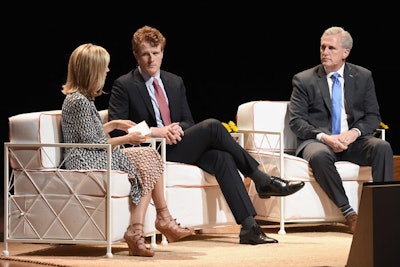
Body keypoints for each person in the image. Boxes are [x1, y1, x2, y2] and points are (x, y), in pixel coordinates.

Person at [107, 25, 305, 245]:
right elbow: (119, 129)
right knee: (212, 126)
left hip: (178, 144)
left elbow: (187, 121)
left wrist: (176, 128)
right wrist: (157, 131)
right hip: (151, 152)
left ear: (162, 52)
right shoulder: (124, 85)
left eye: (156, 53)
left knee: (223, 158)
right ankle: (261, 179)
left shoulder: (174, 81)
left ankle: (249, 227)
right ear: (136, 55)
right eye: (145, 54)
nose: (151, 59)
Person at [60, 43, 194, 257]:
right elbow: (91, 145)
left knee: (149, 155)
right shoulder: (77, 101)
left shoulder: (83, 99)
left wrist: (113, 125)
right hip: (85, 160)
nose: (107, 71)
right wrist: (128, 138)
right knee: (147, 157)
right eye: (104, 67)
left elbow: (89, 136)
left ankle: (142, 228)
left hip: (93, 154)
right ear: (92, 70)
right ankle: (157, 221)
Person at [288, 26, 394, 234]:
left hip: (351, 141)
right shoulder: (304, 80)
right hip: (318, 141)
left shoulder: (363, 76)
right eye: (322, 47)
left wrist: (353, 133)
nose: (325, 52)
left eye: (331, 48)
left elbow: (373, 116)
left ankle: (384, 214)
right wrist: (325, 137)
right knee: (318, 156)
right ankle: (349, 214)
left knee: (382, 147)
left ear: (345, 52)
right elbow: (297, 121)